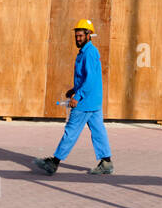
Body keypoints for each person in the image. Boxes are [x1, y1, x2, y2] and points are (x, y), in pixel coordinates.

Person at [34, 19, 114, 175]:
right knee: (98, 131)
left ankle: (54, 163)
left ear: (89, 34)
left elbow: (90, 79)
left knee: (71, 131)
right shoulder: (87, 51)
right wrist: (74, 89)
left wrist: (77, 96)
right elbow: (86, 77)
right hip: (94, 101)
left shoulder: (89, 53)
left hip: (85, 102)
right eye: (76, 36)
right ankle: (106, 162)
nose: (78, 38)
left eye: (80, 36)